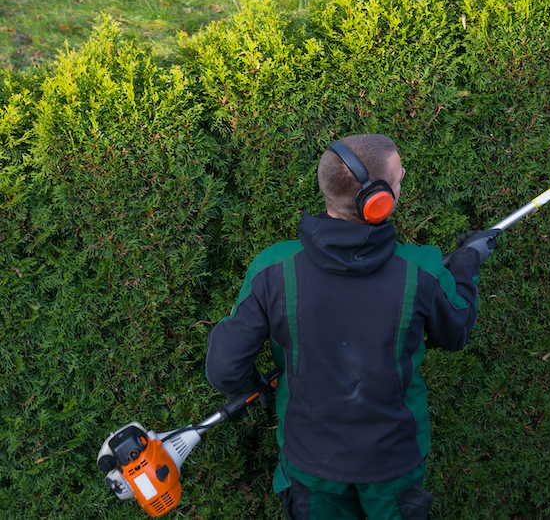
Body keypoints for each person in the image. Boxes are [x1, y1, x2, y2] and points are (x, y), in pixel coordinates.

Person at [205, 133, 498, 520]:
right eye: (398, 176)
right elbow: (455, 331)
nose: (403, 176)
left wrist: (253, 386)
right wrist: (465, 268)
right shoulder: (421, 270)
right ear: (378, 201)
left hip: (310, 464)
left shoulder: (273, 268)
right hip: (391, 465)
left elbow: (224, 368)